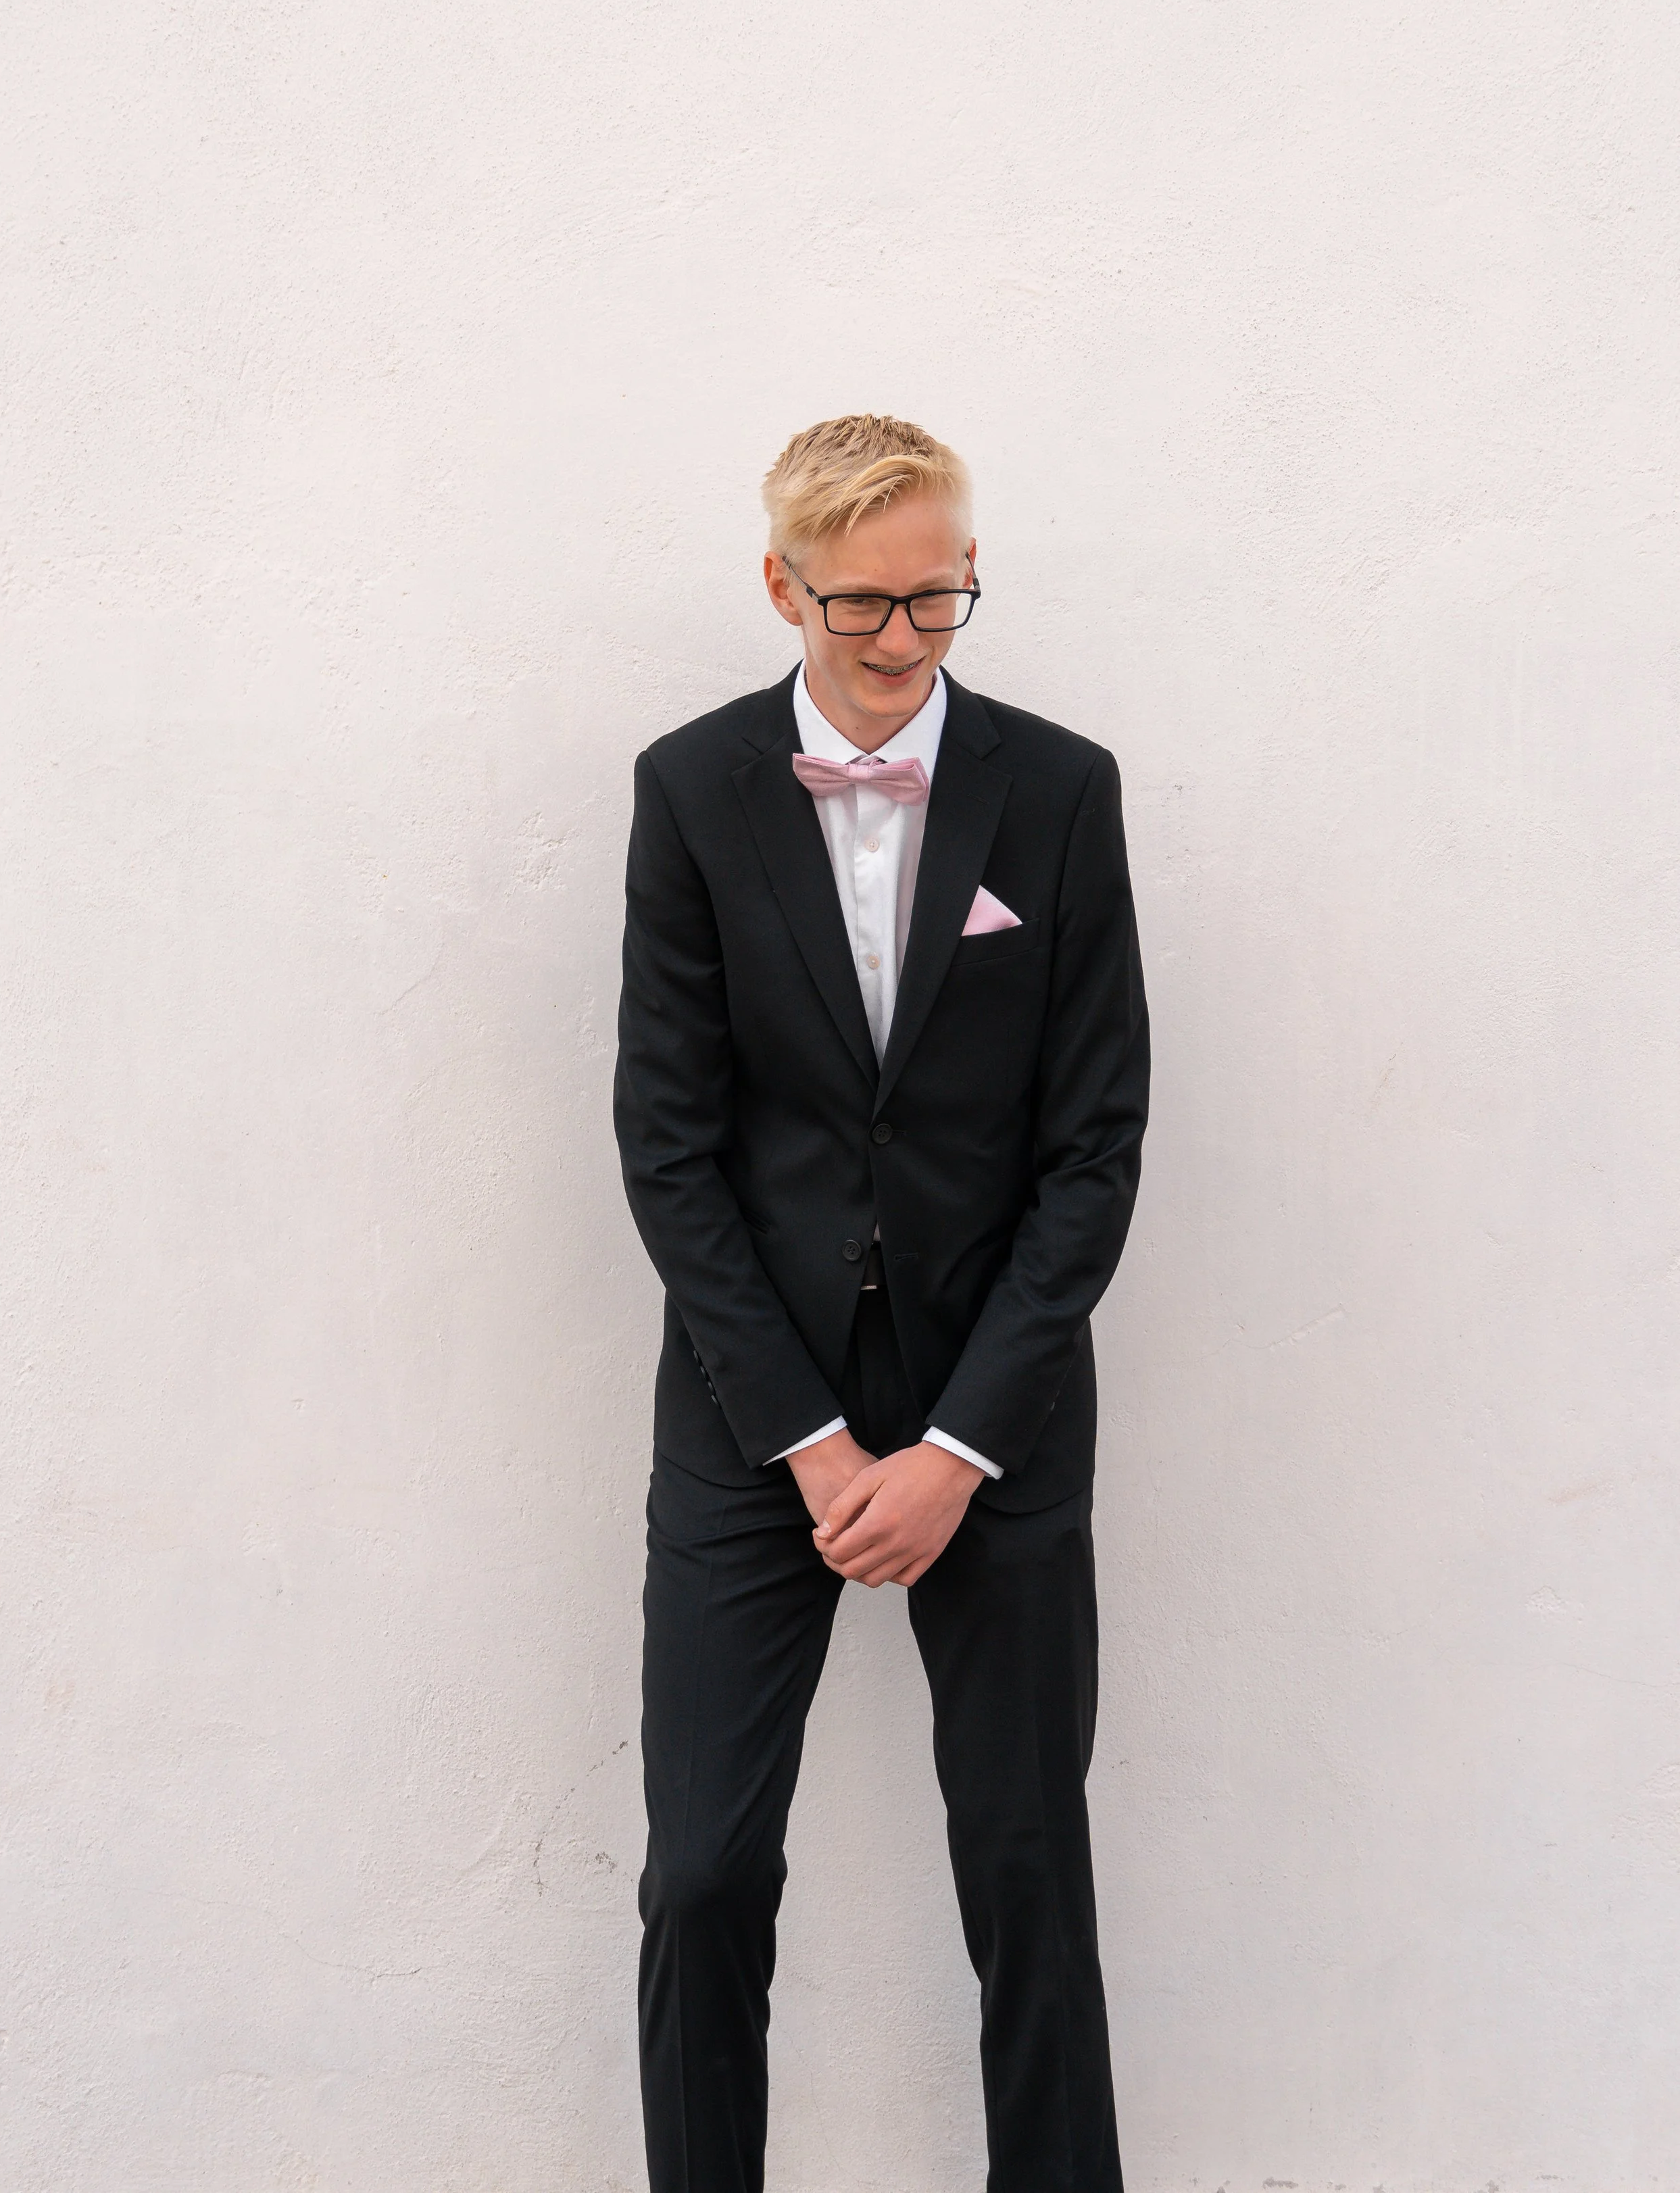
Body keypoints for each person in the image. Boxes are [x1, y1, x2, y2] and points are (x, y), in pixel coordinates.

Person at [613, 414, 1150, 2193]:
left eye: (940, 600)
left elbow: (1092, 1148)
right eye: (862, 607)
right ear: (783, 584)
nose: (905, 641)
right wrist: (814, 1437)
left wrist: (956, 1447)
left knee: (1020, 1856)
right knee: (701, 1863)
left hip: (993, 1414)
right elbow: (669, 1144)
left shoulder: (1058, 789)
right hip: (750, 1408)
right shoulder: (688, 789)